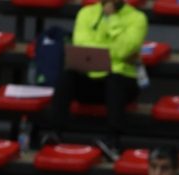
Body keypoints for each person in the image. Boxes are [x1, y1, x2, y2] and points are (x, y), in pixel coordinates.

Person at [51, 0, 147, 141]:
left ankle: (113, 140)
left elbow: (123, 50)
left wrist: (112, 18)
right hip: (90, 80)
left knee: (115, 78)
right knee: (68, 75)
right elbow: (82, 46)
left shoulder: (137, 18)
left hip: (123, 84)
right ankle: (55, 133)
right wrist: (112, 51)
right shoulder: (86, 13)